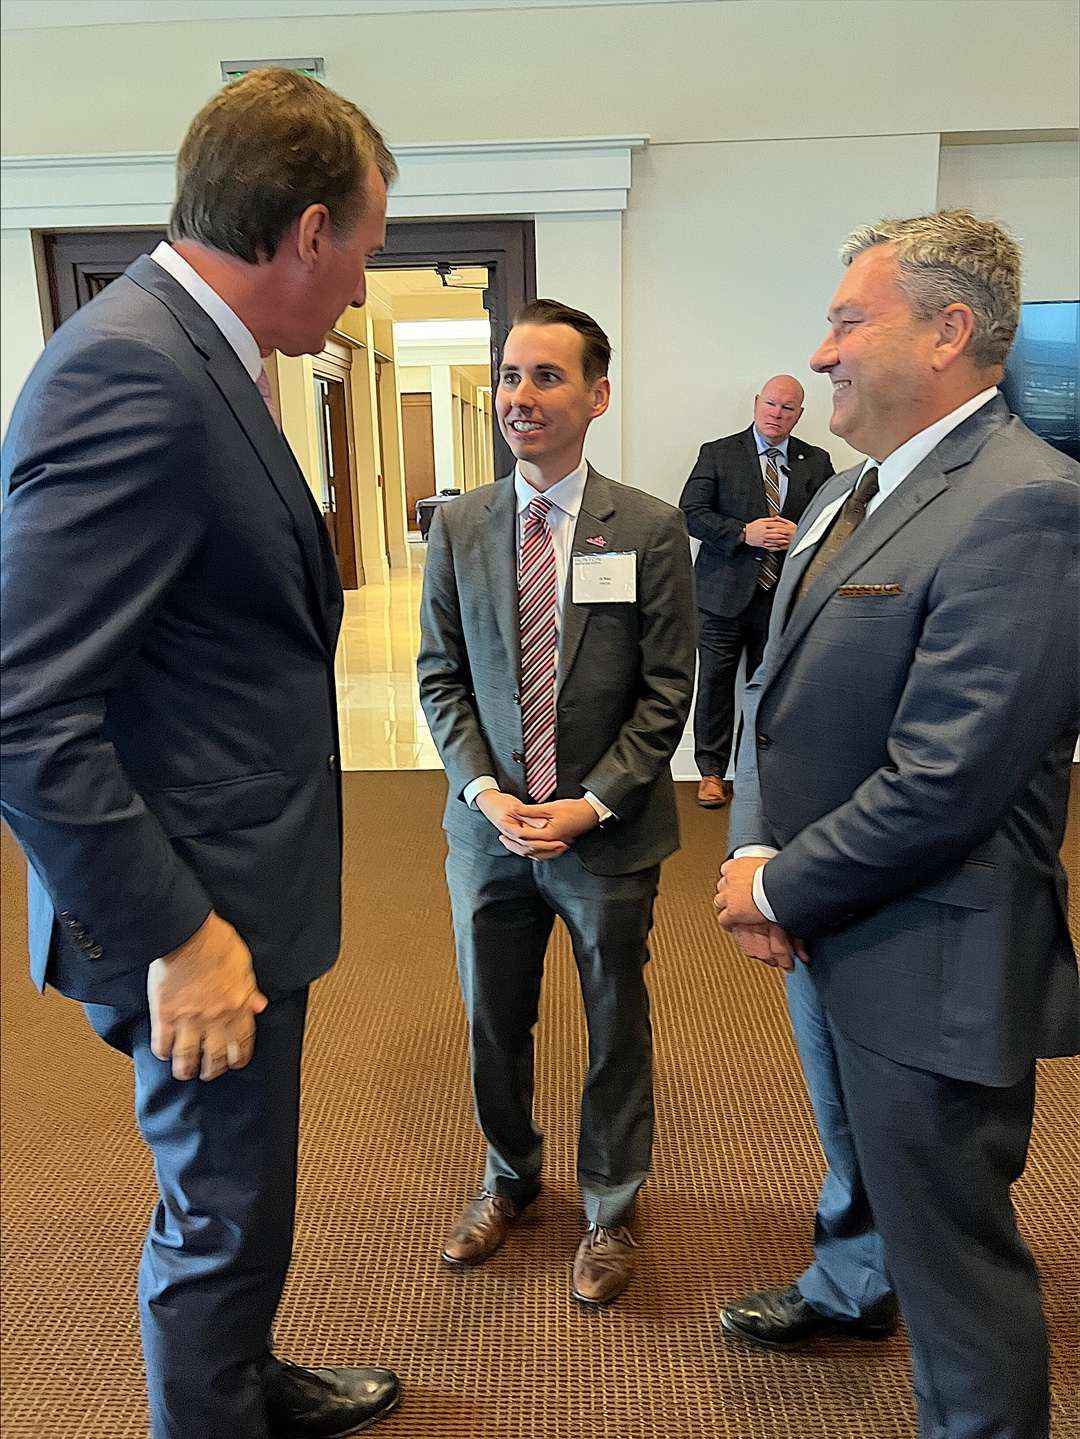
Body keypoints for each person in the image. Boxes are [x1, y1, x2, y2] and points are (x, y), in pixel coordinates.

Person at [1, 70, 402, 1439]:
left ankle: (242, 1377)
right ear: (305, 231)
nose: (359, 286)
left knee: (247, 1194)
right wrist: (178, 935)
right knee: (220, 1213)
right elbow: (22, 704)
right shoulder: (135, 368)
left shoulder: (191, 351)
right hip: (190, 910)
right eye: (363, 250)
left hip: (235, 876)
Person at [715, 210, 1078, 1438]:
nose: (820, 354)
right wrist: (761, 852)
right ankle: (852, 1284)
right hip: (839, 927)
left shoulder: (1028, 505)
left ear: (949, 330)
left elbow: (949, 781)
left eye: (846, 319)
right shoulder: (850, 496)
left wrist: (774, 889)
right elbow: (773, 693)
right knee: (883, 1200)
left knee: (960, 1283)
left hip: (931, 953)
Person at [418, 299, 695, 1307]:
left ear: (596, 394)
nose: (519, 397)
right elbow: (440, 676)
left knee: (615, 1017)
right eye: (508, 377)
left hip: (605, 835)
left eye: (545, 377)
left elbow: (669, 690)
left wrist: (591, 803)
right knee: (495, 1016)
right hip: (488, 830)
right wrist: (486, 791)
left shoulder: (652, 528)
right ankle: (509, 1176)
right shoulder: (458, 524)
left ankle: (611, 1205)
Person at [679, 377, 834, 809]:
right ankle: (711, 772)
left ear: (799, 415)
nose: (776, 414)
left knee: (768, 689)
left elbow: (834, 524)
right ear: (756, 403)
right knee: (714, 684)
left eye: (787, 408)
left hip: (783, 596)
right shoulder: (718, 452)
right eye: (770, 404)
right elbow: (690, 514)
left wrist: (800, 533)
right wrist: (743, 533)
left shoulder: (816, 461)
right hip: (720, 597)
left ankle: (755, 772)